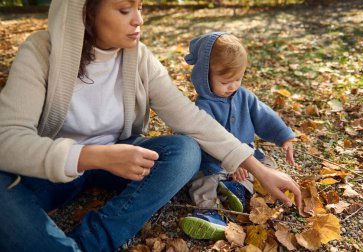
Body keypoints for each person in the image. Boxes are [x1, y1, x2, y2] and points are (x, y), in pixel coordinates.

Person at [0, 1, 301, 251]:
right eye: (124, 10)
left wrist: (259, 169)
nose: (139, 20)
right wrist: (92, 156)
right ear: (86, 11)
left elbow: (190, 118)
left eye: (140, 6)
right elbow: (7, 139)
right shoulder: (40, 51)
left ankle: (93, 242)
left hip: (120, 162)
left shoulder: (139, 57)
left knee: (184, 150)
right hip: (55, 168)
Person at [180, 32, 297, 240]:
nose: (233, 86)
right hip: (213, 162)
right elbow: (207, 143)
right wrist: (233, 164)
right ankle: (208, 212)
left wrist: (284, 136)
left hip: (247, 158)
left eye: (237, 79)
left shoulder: (244, 96)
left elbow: (264, 115)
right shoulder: (202, 107)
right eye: (225, 82)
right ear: (205, 77)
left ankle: (236, 190)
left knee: (266, 165)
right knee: (202, 182)